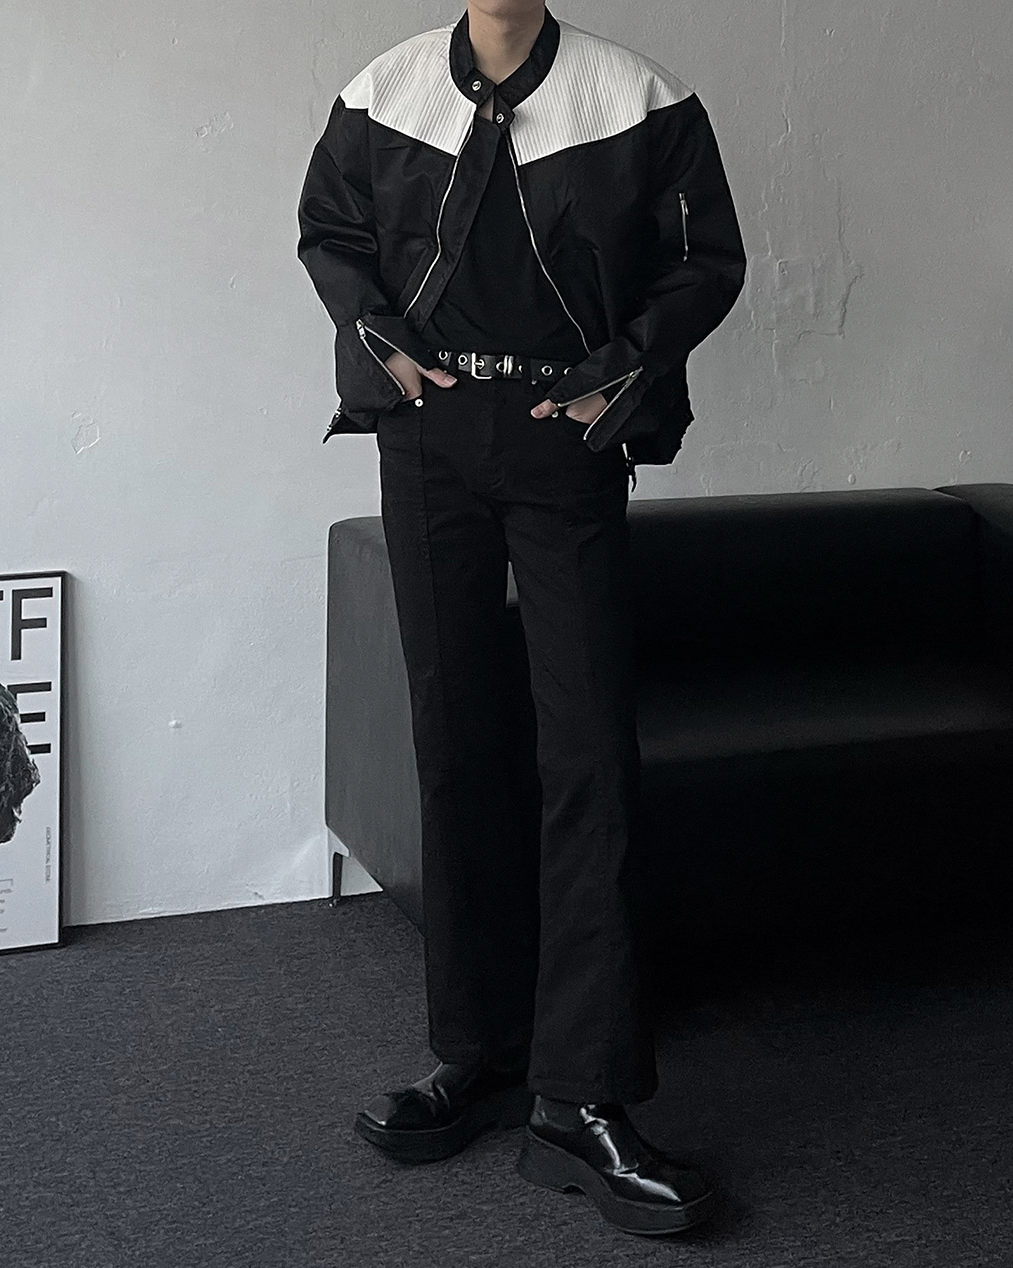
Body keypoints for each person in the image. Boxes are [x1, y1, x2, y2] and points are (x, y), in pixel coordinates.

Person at [297, 1, 746, 1236]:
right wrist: (378, 340)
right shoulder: (383, 92)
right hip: (426, 438)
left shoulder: (637, 96)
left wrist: (627, 366)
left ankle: (580, 1095)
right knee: (455, 741)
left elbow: (707, 259)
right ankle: (481, 1050)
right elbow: (330, 230)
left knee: (589, 753)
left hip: (565, 437)